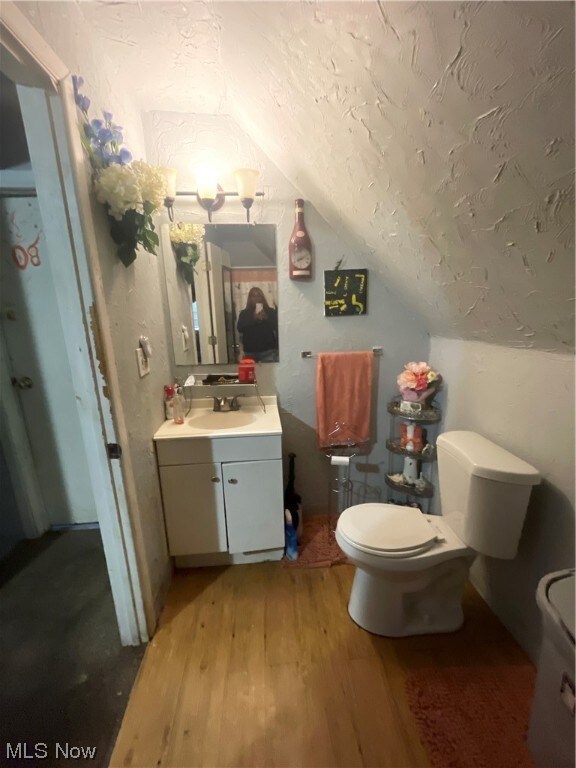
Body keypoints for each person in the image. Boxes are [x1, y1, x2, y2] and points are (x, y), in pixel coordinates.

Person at [236, 287, 278, 362]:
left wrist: (266, 318)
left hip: (268, 351)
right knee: (250, 373)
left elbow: (276, 327)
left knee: (269, 373)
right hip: (250, 352)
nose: (256, 298)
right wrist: (253, 319)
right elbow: (240, 328)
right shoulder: (244, 313)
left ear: (262, 298)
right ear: (250, 298)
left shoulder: (270, 311)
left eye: (259, 295)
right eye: (253, 296)